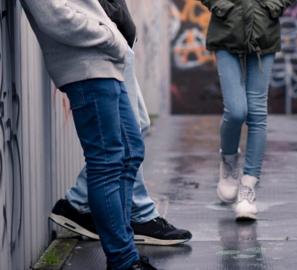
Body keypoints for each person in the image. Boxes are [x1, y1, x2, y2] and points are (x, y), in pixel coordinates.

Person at [19, 0, 156, 268]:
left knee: (130, 153)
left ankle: (125, 252)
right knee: (105, 163)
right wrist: (111, 37)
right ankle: (123, 260)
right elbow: (54, 16)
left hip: (105, 63)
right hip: (86, 65)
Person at [49, 0, 192, 248]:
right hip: (100, 47)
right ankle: (129, 223)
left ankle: (86, 207)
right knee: (112, 156)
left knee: (131, 143)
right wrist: (111, 36)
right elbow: (54, 15)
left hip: (113, 44)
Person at [200, 0, 297, 220]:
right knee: (235, 110)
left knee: (257, 112)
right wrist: (220, 5)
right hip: (226, 29)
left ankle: (248, 187)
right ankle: (229, 161)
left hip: (264, 30)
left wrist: (273, 6)